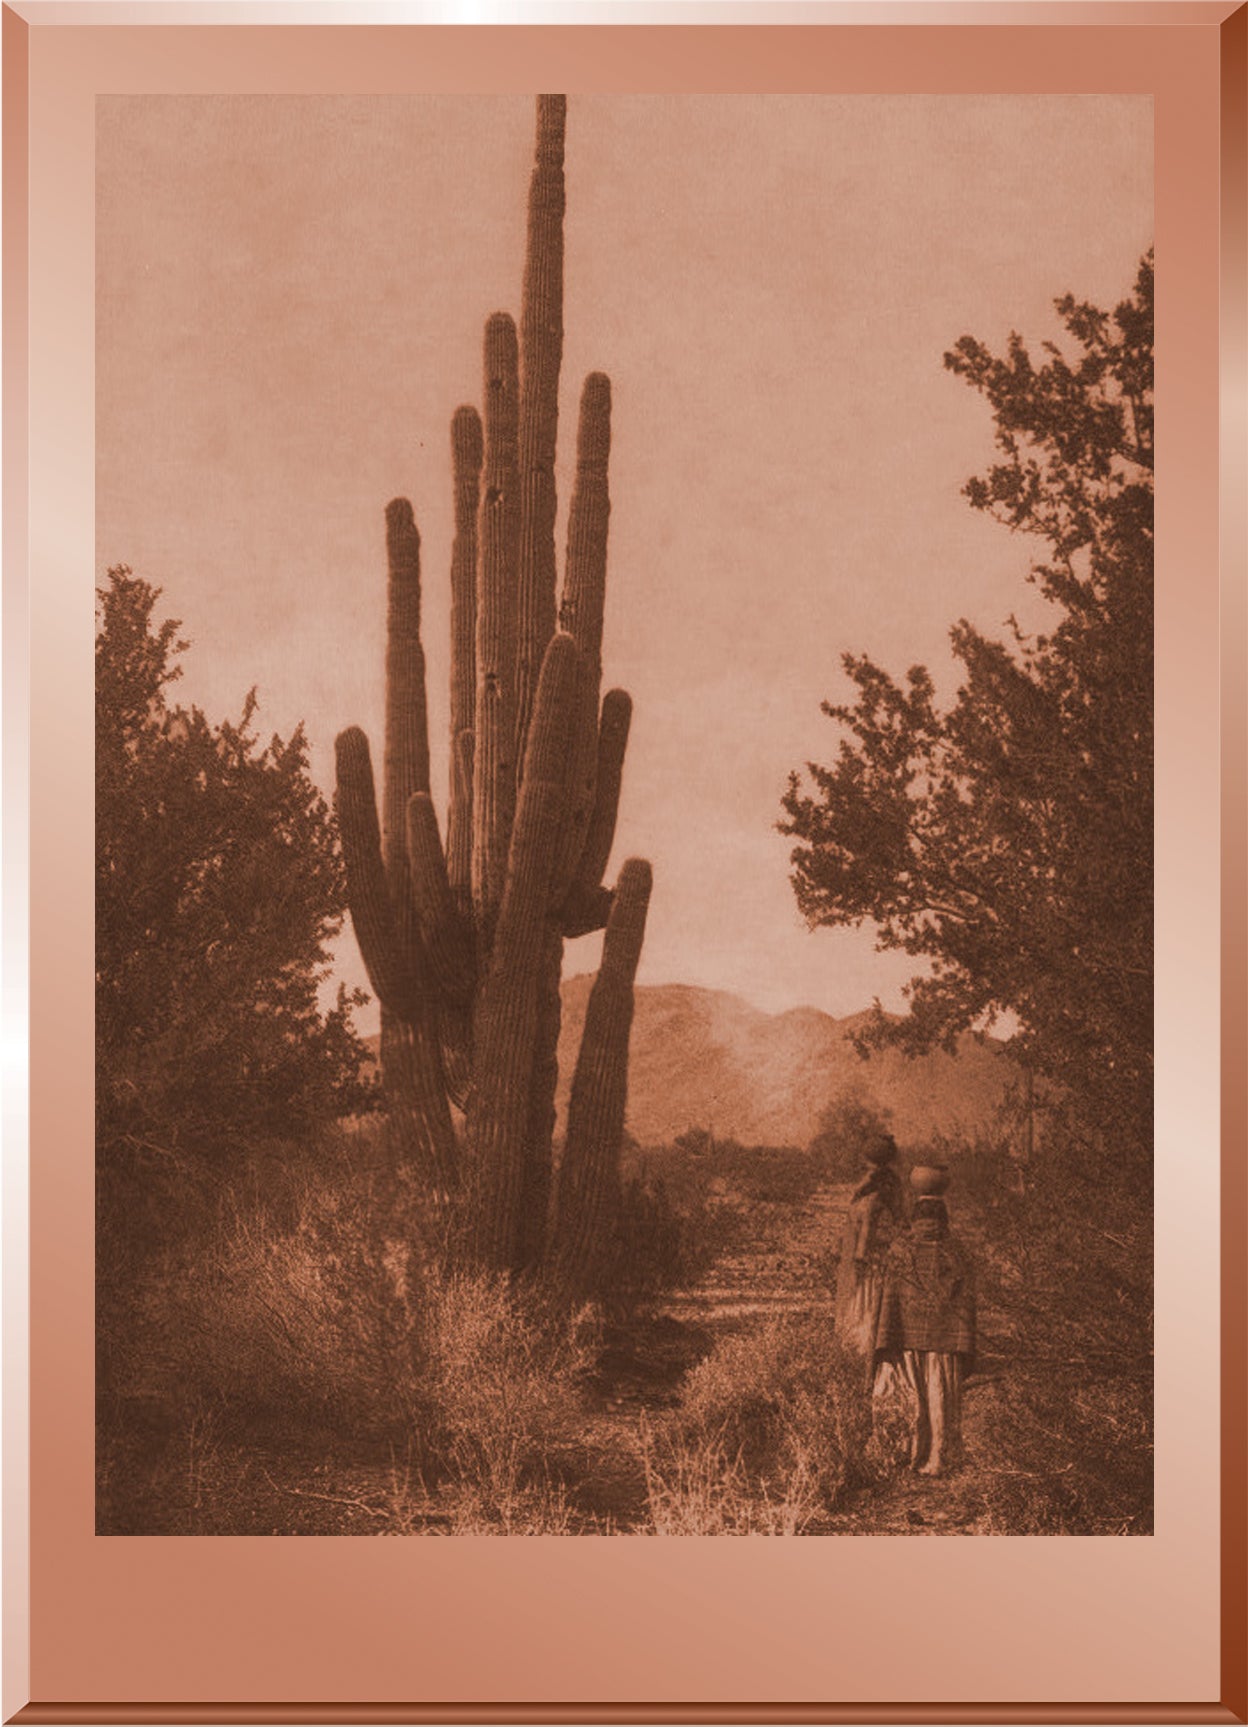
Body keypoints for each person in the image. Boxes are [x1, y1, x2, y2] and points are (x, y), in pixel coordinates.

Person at [871, 1192, 976, 1476]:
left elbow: (888, 1302)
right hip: (945, 1345)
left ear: (914, 1219)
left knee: (911, 1398)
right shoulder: (957, 1254)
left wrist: (885, 1338)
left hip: (905, 1342)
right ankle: (940, 1458)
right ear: (944, 1219)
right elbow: (966, 1305)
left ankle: (907, 1456)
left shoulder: (900, 1252)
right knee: (940, 1398)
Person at [835, 1134, 904, 1356]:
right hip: (876, 1257)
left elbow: (865, 1233)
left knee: (864, 1301)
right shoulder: (886, 1191)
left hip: (866, 1260)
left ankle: (861, 1348)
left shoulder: (869, 1199)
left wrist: (859, 1258)